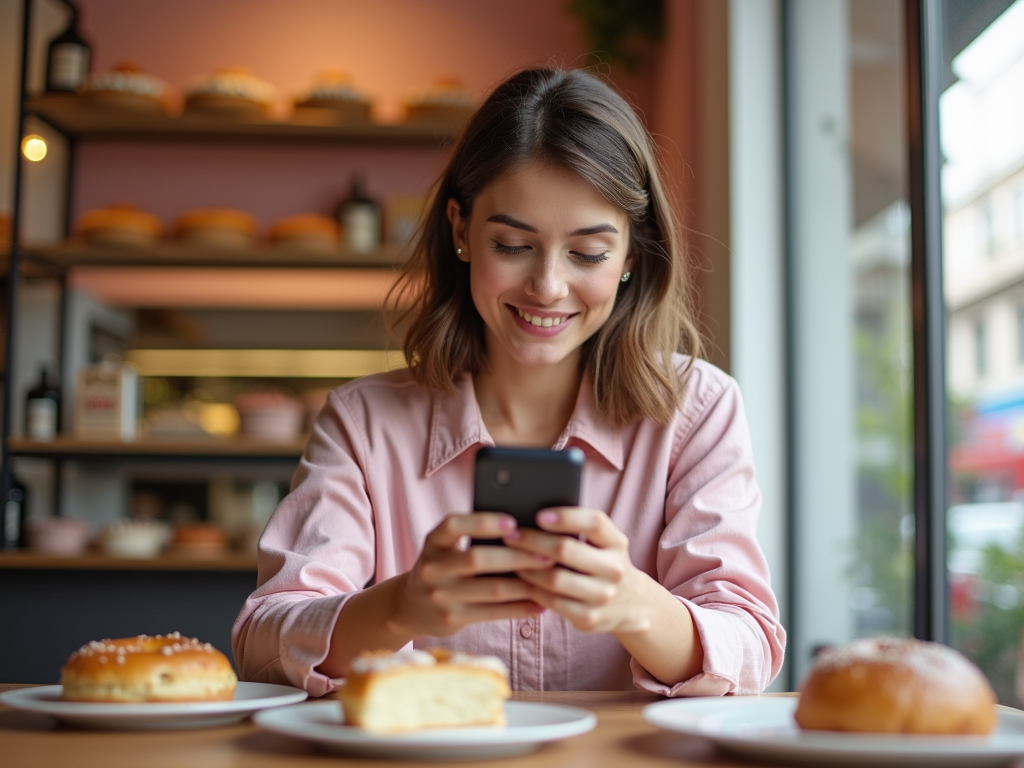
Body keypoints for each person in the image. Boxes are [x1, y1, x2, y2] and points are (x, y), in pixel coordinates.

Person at [232, 67, 785, 696]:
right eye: (513, 245)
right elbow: (261, 641)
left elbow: (750, 646)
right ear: (462, 230)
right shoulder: (364, 422)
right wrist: (403, 607)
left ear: (632, 254)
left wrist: (635, 604)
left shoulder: (699, 409)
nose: (547, 286)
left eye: (588, 253)